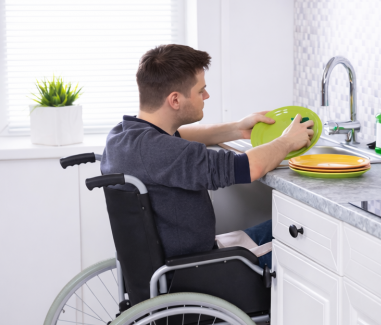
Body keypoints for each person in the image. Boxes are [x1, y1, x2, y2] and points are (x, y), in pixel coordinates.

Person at [101, 44, 312, 269]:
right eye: (201, 91)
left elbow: (183, 135)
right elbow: (249, 167)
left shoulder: (123, 136)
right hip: (199, 270)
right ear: (175, 100)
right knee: (309, 238)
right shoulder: (166, 152)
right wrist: (288, 140)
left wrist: (237, 128)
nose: (207, 95)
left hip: (175, 264)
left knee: (281, 225)